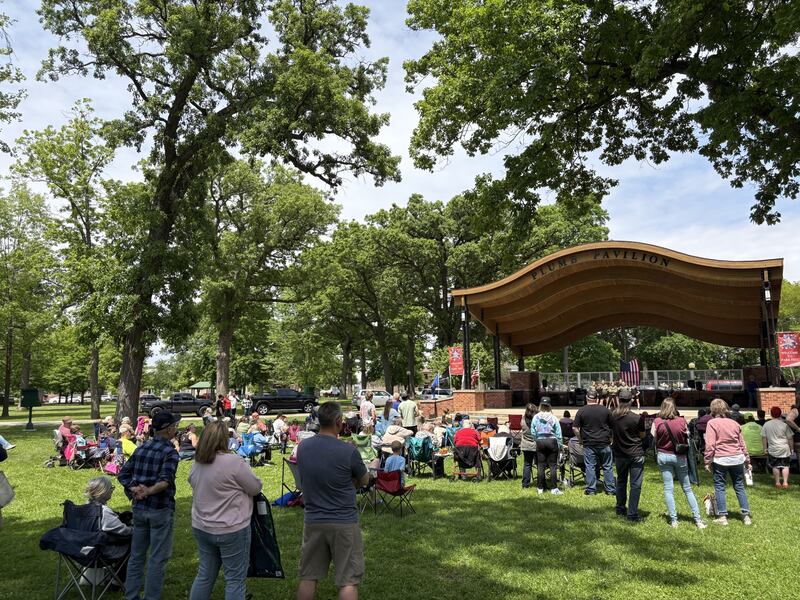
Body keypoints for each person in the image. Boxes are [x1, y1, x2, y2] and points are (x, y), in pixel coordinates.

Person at [295, 402, 370, 600]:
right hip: (343, 521)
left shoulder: (303, 448)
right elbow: (364, 480)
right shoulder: (348, 451)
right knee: (348, 580)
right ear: (339, 422)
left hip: (313, 520)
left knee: (308, 576)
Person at [188, 421, 262, 600]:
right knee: (235, 579)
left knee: (205, 575)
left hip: (202, 526)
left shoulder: (198, 463)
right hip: (232, 528)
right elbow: (255, 488)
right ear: (223, 440)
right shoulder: (234, 462)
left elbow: (192, 482)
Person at [118, 411, 181, 600]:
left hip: (139, 509)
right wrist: (147, 491)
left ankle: (131, 596)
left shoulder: (142, 448)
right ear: (169, 429)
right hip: (159, 509)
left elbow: (123, 475)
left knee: (137, 557)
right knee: (157, 559)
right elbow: (165, 481)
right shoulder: (169, 452)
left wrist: (134, 490)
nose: (176, 429)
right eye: (175, 426)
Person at [651, 398, 706, 529]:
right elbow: (687, 436)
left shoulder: (657, 422)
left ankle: (674, 520)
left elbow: (654, 437)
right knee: (687, 488)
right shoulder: (682, 421)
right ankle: (697, 519)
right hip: (679, 456)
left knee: (668, 489)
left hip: (664, 455)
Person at [704, 398, 752, 526]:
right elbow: (742, 443)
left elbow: (710, 445)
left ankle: (722, 516)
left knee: (720, 487)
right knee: (739, 486)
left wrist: (707, 461)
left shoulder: (712, 423)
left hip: (720, 459)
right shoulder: (734, 423)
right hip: (737, 458)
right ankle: (746, 515)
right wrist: (747, 460)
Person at [574, 388, 615, 496]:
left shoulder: (581, 410)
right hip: (604, 442)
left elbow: (575, 428)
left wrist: (580, 439)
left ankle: (591, 489)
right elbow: (613, 426)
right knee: (607, 466)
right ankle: (610, 490)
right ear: (597, 399)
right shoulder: (605, 410)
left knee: (590, 466)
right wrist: (611, 438)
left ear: (587, 398)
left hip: (589, 443)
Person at [611, 390, 645, 522]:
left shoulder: (612, 416)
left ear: (619, 400)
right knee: (635, 485)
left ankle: (620, 508)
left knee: (621, 481)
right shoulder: (637, 418)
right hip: (635, 453)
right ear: (631, 401)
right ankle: (632, 514)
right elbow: (642, 435)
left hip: (620, 454)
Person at [532, 397, 563, 495]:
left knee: (540, 465)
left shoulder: (536, 417)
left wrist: (536, 439)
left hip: (540, 441)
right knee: (553, 465)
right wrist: (560, 445)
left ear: (540, 405)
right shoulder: (553, 418)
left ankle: (540, 488)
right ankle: (554, 488)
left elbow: (533, 431)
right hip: (552, 441)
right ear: (550, 406)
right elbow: (558, 433)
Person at [762, 406, 794, 488]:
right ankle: (785, 483)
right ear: (780, 414)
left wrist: (765, 448)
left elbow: (764, 437)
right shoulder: (784, 425)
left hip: (773, 448)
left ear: (771, 414)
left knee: (775, 466)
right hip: (784, 448)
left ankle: (777, 483)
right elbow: (790, 438)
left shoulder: (766, 424)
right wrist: (792, 448)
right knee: (785, 466)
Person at [520, 403, 538, 490]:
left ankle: (525, 484)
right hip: (536, 444)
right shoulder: (536, 421)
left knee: (527, 464)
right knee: (539, 465)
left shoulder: (523, 420)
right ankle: (541, 482)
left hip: (526, 445)